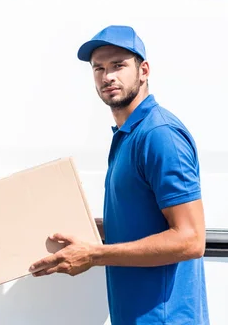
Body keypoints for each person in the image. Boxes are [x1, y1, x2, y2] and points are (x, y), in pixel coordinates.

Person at [30, 25, 209, 324]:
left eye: (118, 66)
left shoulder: (159, 134)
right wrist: (84, 229)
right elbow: (139, 221)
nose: (107, 76)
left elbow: (191, 239)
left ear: (144, 70)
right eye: (98, 68)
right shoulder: (128, 134)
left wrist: (94, 255)